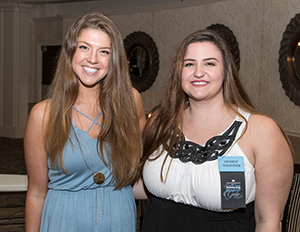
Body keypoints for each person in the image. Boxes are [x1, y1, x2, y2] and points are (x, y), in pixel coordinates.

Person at [135, 30, 294, 232]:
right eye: (189, 64)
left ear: (226, 71)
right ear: (178, 72)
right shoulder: (160, 122)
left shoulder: (260, 131)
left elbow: (268, 221)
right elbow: (145, 186)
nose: (198, 72)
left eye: (209, 63)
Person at [24, 11, 146, 232]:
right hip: (64, 220)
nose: (92, 59)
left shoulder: (131, 102)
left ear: (114, 59)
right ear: (71, 51)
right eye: (84, 47)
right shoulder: (43, 115)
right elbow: (36, 193)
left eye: (104, 52)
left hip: (119, 218)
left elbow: (141, 169)